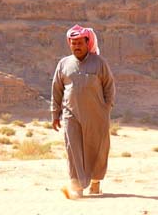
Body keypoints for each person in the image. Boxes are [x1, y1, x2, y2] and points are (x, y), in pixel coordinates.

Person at [50, 24, 115, 199]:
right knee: (73, 149)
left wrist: (105, 108)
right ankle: (77, 185)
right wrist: (55, 113)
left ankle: (95, 182)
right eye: (73, 43)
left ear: (88, 43)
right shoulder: (64, 64)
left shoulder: (99, 63)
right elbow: (57, 89)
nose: (76, 46)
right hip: (71, 114)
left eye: (80, 42)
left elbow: (109, 87)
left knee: (97, 149)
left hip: (97, 115)